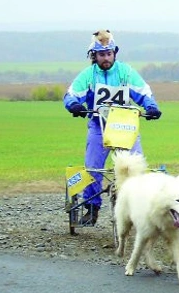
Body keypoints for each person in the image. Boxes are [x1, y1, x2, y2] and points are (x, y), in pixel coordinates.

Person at [63, 29, 162, 225]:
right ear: (94, 56)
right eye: (101, 54)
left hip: (126, 127)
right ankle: (92, 208)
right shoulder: (88, 75)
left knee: (135, 167)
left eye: (109, 53)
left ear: (114, 53)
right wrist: (74, 105)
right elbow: (71, 94)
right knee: (93, 169)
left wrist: (151, 107)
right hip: (98, 127)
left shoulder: (126, 72)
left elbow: (144, 93)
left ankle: (136, 208)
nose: (106, 58)